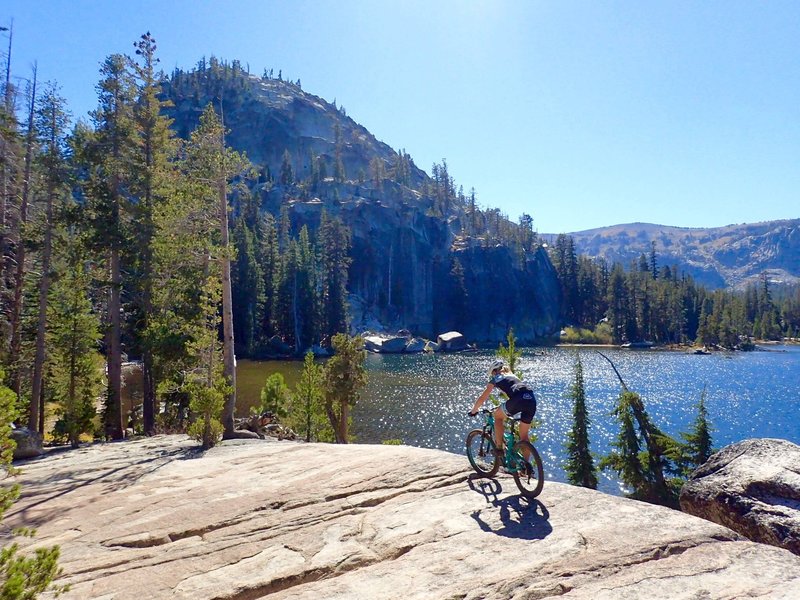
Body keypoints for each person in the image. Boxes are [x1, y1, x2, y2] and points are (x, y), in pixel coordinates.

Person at [468, 359, 537, 460]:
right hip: (531, 398)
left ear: (494, 371)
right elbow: (511, 394)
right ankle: (526, 465)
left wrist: (474, 410)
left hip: (518, 399)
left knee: (497, 416)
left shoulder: (496, 378)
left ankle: (499, 449)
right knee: (524, 436)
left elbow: (483, 397)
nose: (492, 375)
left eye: (492, 373)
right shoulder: (511, 375)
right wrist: (503, 407)